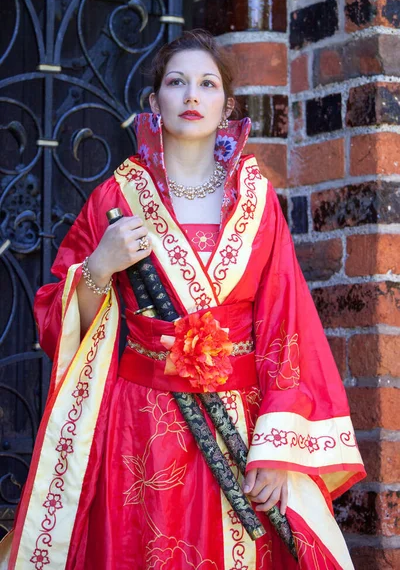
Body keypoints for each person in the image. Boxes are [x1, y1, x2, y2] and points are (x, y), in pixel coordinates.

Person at [1, 29, 365, 570]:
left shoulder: (258, 201)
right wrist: (99, 265)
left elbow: (287, 328)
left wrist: (275, 450)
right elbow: (58, 325)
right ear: (155, 102)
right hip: (135, 427)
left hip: (237, 428)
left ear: (227, 105)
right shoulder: (115, 197)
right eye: (177, 83)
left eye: (207, 84)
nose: (192, 96)